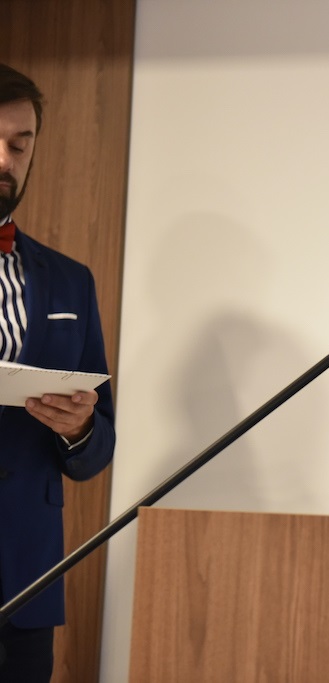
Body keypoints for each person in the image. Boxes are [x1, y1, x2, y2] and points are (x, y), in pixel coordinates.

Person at [0, 63, 116, 681]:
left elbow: (97, 450)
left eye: (20, 145)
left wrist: (78, 429)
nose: (6, 160)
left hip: (27, 583)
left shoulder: (71, 280)